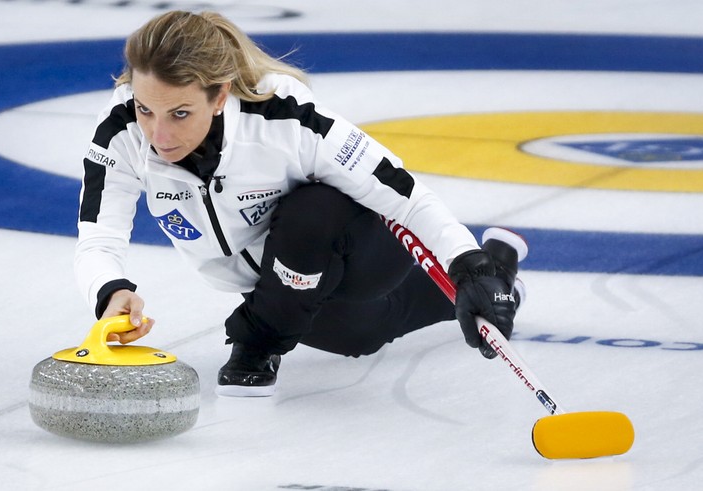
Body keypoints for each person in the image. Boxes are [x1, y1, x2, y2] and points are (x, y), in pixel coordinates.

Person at [74, 10, 523, 397]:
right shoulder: (120, 131)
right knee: (361, 335)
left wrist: (469, 265)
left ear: (220, 95)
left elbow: (404, 195)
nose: (158, 135)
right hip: (275, 282)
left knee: (312, 212)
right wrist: (111, 289)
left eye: (180, 113)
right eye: (146, 109)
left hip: (358, 244)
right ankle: (503, 276)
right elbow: (98, 235)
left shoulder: (285, 116)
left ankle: (259, 342)